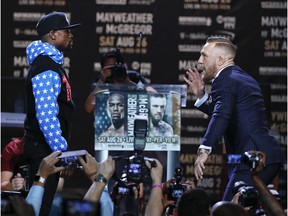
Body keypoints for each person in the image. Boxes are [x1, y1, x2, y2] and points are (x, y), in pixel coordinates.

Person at [183, 36, 285, 201]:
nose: (199, 61)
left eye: (204, 55)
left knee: (228, 209)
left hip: (253, 158)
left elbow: (221, 115)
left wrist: (204, 149)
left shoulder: (224, 80)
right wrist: (202, 96)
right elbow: (227, 112)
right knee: (240, 207)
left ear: (220, 59)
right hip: (261, 155)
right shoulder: (238, 76)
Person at [23, 11, 81, 216]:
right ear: (53, 34)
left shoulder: (48, 64)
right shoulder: (46, 68)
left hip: (45, 148)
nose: (70, 35)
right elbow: (46, 116)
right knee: (40, 208)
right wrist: (61, 152)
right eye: (67, 31)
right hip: (44, 150)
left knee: (42, 206)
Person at [85, 48, 148, 114]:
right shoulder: (101, 82)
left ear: (123, 67)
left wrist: (128, 82)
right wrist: (101, 82)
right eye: (109, 69)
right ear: (103, 70)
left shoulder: (133, 76)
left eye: (115, 68)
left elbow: (150, 96)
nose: (113, 71)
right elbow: (89, 108)